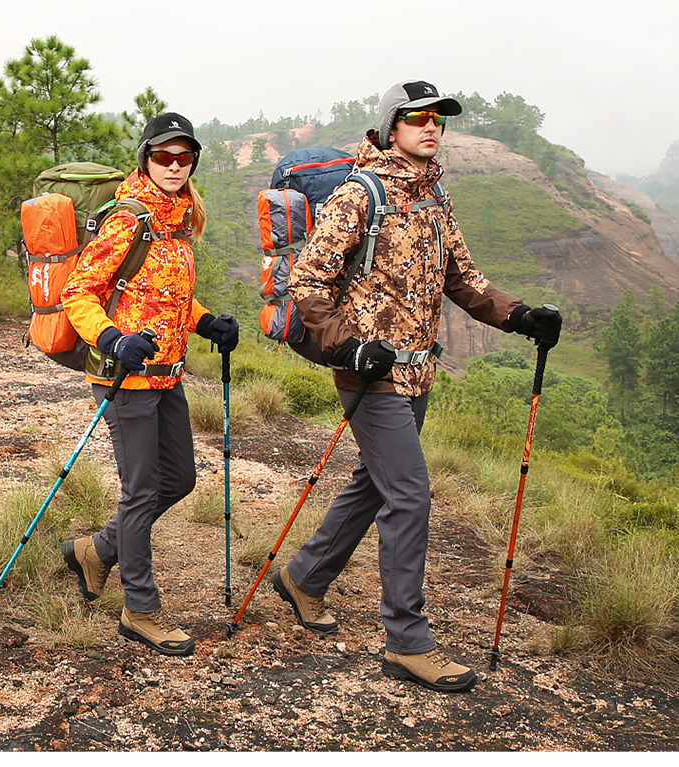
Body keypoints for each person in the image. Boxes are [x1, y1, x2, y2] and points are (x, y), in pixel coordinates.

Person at [272, 80, 562, 692]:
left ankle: (304, 577)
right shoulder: (360, 195)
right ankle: (407, 641)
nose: (431, 128)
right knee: (410, 495)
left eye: (438, 119)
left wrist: (518, 315)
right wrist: (347, 345)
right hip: (369, 373)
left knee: (374, 486)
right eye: (417, 118)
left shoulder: (436, 198)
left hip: (419, 371)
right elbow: (310, 283)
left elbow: (464, 279)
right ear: (390, 127)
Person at [59, 112, 239, 657]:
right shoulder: (127, 219)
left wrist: (205, 322)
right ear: (146, 158)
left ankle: (97, 550)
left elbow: (168, 297)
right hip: (124, 377)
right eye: (164, 156)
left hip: (168, 374)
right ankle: (140, 609)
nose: (175, 165)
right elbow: (79, 292)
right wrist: (113, 339)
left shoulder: (179, 220)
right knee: (141, 491)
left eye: (185, 157)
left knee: (179, 478)